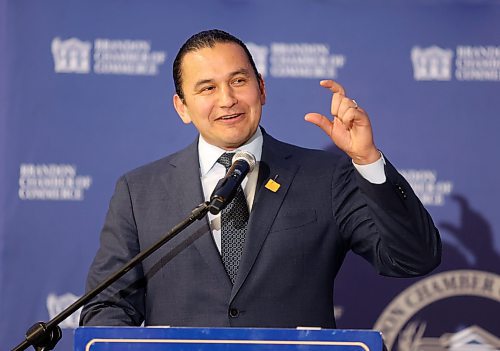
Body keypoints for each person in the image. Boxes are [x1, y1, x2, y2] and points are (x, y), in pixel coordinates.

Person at [80, 29, 441, 328]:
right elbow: (106, 307)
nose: (227, 100)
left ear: (262, 88)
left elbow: (413, 259)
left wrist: (366, 159)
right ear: (182, 108)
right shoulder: (140, 191)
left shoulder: (326, 176)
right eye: (207, 88)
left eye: (239, 81)